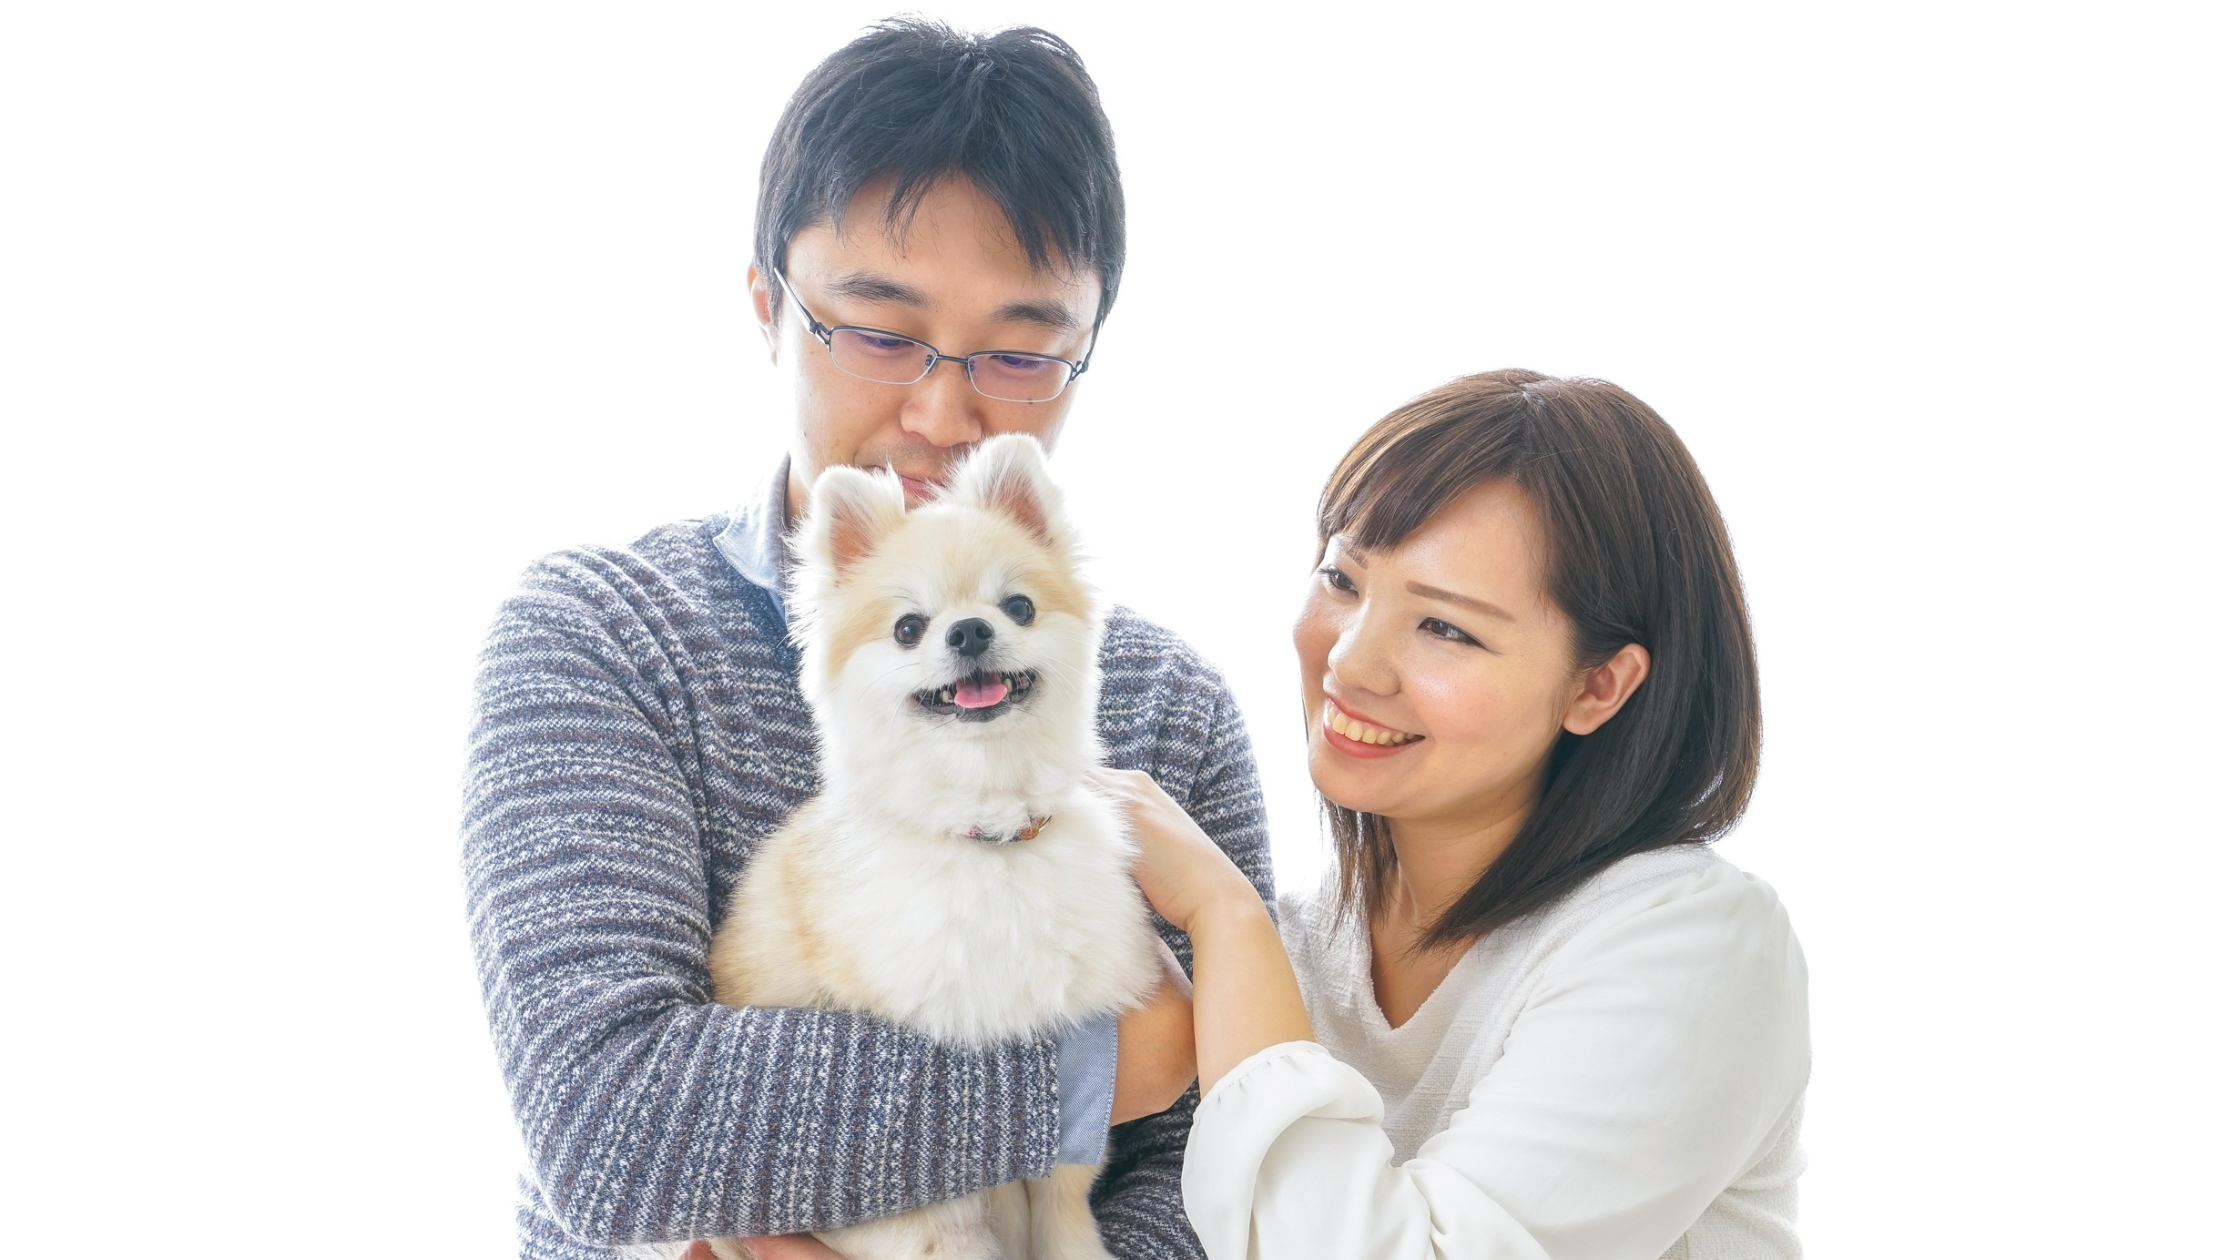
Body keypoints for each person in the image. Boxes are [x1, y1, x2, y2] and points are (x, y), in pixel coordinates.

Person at [461, 20, 1266, 1260]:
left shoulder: (1171, 709)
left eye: (1021, 352)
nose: (942, 411)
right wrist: (1099, 1066)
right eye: (882, 333)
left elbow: (1228, 1167)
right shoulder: (603, 639)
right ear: (765, 303)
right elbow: (611, 1129)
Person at [1096, 371, 1811, 1259]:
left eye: (1445, 628)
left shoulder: (1693, 944)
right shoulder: (1307, 947)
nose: (1351, 663)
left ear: (1598, 686)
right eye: (1342, 579)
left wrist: (1224, 913)